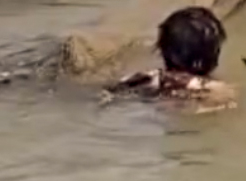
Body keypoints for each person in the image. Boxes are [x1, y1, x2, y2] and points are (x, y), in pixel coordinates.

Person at [102, 7, 238, 111]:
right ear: (212, 54)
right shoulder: (212, 88)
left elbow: (108, 92)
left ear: (162, 49)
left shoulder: (144, 78)